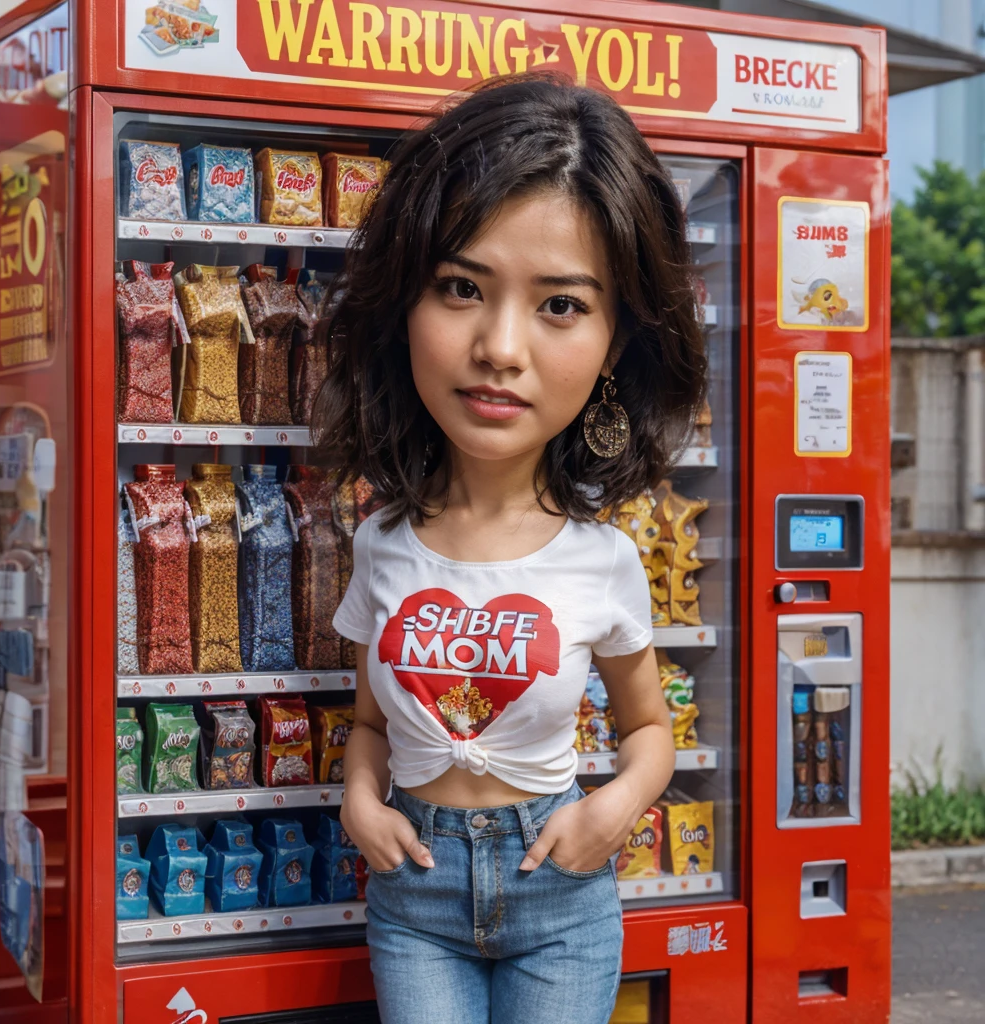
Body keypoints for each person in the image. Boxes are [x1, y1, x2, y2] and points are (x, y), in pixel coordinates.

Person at [318, 73, 707, 1024]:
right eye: (461, 287)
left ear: (615, 343)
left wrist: (611, 813)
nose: (499, 346)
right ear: (406, 303)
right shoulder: (381, 546)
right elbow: (370, 726)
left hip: (561, 895)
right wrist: (359, 804)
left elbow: (649, 732)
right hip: (414, 893)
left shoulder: (603, 558)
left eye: (561, 305)